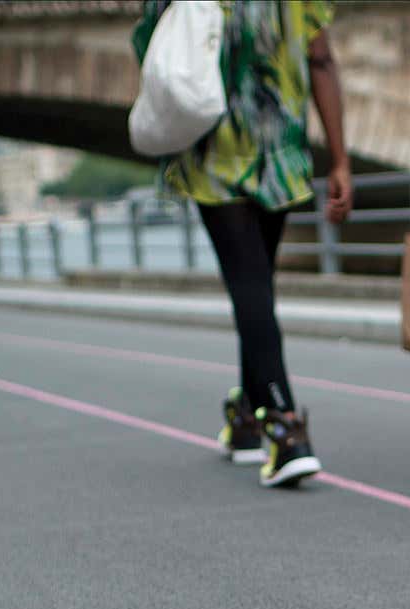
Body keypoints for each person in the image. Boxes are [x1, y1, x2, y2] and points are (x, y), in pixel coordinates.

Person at [132, 1, 352, 488]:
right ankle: (249, 423)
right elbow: (321, 60)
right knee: (256, 287)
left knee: (250, 287)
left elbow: (152, 49)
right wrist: (339, 158)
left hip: (217, 155)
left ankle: (285, 427)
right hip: (281, 151)